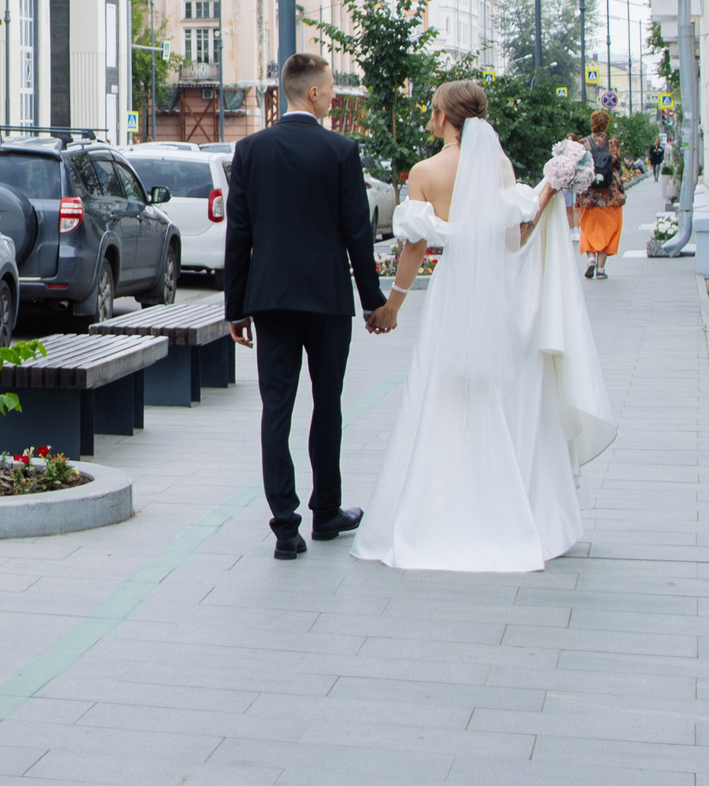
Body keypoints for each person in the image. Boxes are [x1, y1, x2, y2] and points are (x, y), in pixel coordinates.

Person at [354, 80, 617, 573]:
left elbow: (415, 247)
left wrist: (393, 306)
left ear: (443, 117)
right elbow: (513, 237)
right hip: (496, 290)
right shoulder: (499, 166)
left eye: (433, 110)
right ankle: (503, 504)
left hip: (454, 288)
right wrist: (546, 192)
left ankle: (438, 510)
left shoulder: (425, 173)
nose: (430, 118)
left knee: (442, 392)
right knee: (496, 393)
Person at [223, 52, 388, 561]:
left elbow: (239, 234)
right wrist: (373, 302)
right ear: (312, 93)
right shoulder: (340, 150)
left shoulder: (250, 150)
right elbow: (357, 233)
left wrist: (236, 308)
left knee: (276, 408)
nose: (334, 95)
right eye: (331, 87)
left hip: (270, 300)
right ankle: (326, 513)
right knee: (327, 404)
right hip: (327, 299)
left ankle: (284, 527)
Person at [577, 109, 626, 279]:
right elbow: (617, 164)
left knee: (588, 226)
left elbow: (579, 167)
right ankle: (600, 268)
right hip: (609, 194)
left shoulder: (583, 143)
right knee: (609, 228)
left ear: (592, 123)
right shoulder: (612, 142)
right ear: (606, 124)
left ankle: (590, 258)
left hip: (589, 194)